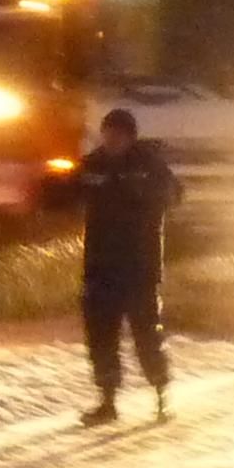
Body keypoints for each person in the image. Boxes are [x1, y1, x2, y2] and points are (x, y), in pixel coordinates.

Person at [73, 106, 180, 423]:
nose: (112, 139)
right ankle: (107, 401)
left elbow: (175, 193)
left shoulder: (148, 165)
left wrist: (148, 194)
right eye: (107, 133)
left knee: (146, 333)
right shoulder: (93, 165)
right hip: (100, 265)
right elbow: (68, 192)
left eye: (118, 134)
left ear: (130, 137)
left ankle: (161, 394)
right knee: (101, 335)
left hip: (139, 267)